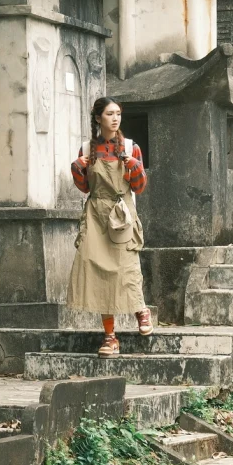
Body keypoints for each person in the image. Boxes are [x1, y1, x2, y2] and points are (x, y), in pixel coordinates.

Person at [68, 96, 154, 355]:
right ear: (98, 118)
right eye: (109, 114)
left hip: (121, 212)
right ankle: (109, 338)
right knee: (98, 272)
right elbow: (85, 188)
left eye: (118, 113)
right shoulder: (86, 149)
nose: (115, 118)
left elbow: (139, 187)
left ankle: (140, 309)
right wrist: (76, 168)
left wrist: (134, 165)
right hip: (96, 214)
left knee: (126, 266)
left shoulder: (130, 146)